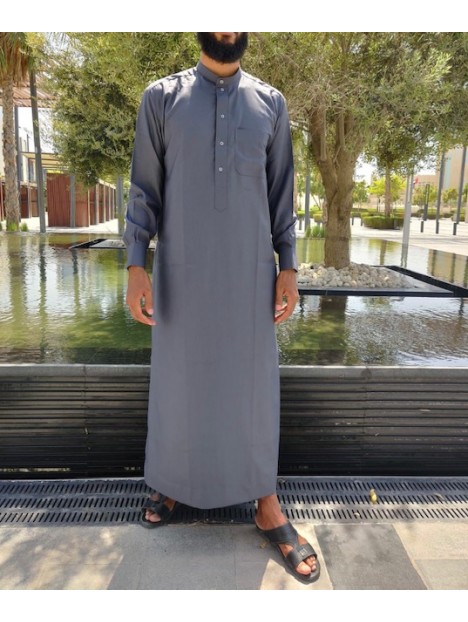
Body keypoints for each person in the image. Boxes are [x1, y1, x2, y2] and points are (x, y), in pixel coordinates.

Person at [123, 32, 320, 584]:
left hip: (249, 274)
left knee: (252, 384)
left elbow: (282, 191)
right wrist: (136, 263)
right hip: (180, 271)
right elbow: (144, 189)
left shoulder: (271, 103)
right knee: (178, 380)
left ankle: (266, 502)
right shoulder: (160, 98)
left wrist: (288, 265)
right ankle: (171, 484)